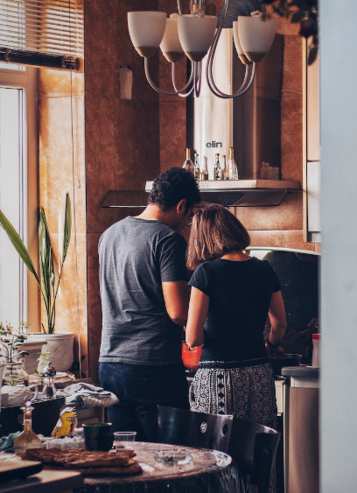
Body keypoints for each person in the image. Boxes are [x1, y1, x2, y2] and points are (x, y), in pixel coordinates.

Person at [98, 167, 200, 441]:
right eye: (189, 217)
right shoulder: (168, 240)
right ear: (181, 206)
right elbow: (178, 312)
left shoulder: (109, 235)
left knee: (129, 460)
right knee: (174, 460)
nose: (186, 224)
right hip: (152, 368)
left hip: (110, 365)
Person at [185, 204, 287, 429]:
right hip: (259, 373)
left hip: (218, 377)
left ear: (203, 238)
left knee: (217, 454)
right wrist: (270, 345)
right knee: (258, 449)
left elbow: (193, 339)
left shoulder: (206, 272)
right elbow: (279, 323)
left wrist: (191, 328)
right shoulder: (264, 269)